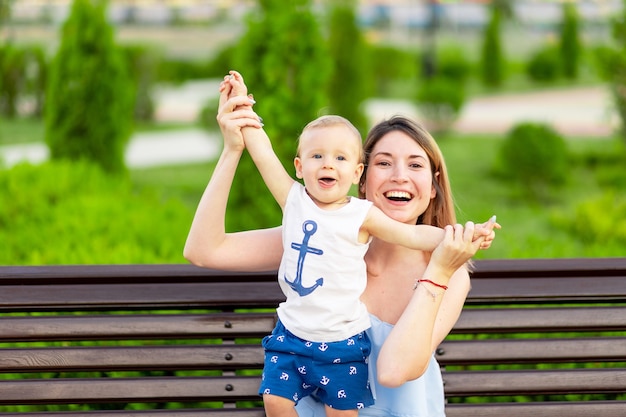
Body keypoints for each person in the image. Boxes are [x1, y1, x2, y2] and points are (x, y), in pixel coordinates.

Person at [184, 74, 499, 417]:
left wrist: (439, 266)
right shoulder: (316, 238)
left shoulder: (450, 277)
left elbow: (393, 372)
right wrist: (233, 150)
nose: (399, 175)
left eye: (415, 164)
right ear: (361, 180)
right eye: (383, 162)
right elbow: (203, 250)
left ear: (434, 186)